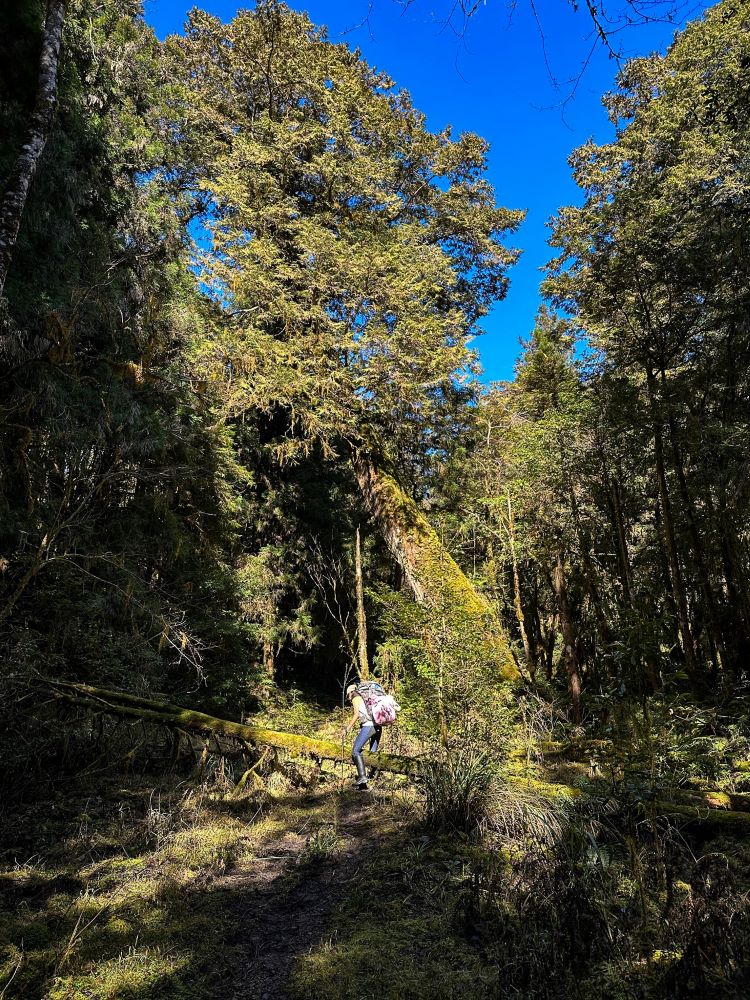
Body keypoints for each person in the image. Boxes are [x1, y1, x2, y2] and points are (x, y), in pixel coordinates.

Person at [343, 682, 382, 790]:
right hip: (378, 726)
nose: (349, 700)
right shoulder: (366, 698)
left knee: (355, 751)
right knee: (372, 754)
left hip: (369, 726)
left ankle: (362, 777)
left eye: (348, 697)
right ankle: (369, 781)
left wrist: (347, 729)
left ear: (350, 693)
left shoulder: (356, 697)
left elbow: (356, 715)